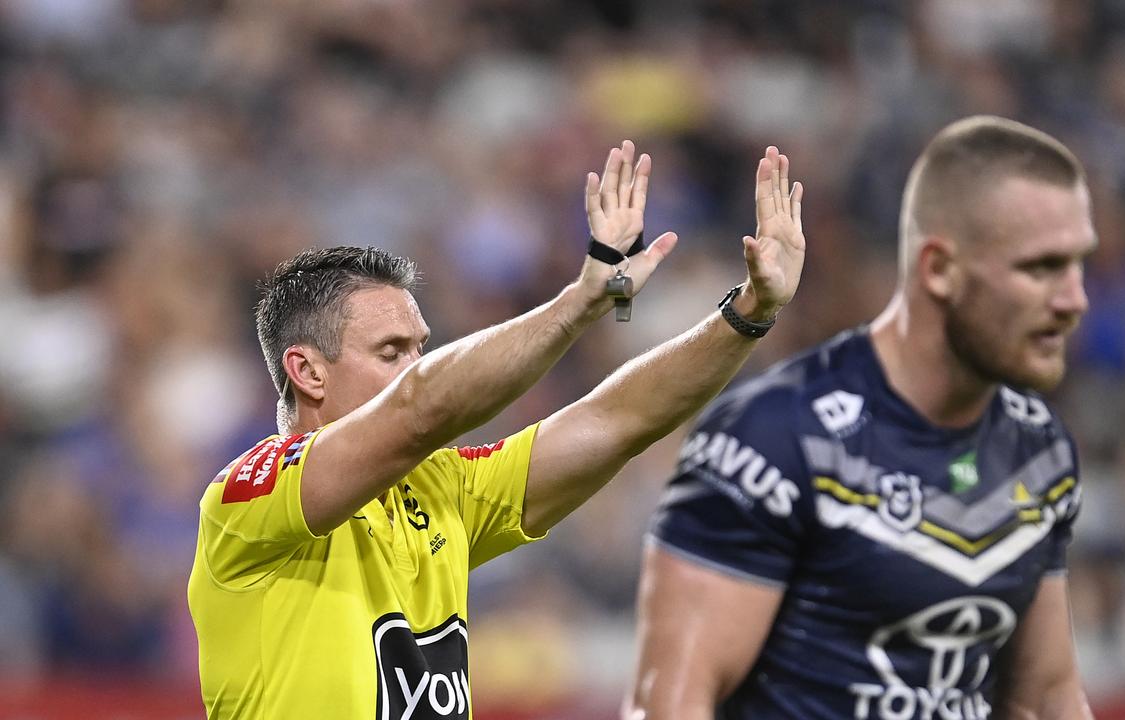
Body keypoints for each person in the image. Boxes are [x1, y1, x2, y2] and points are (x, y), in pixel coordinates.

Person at [187, 141, 805, 718]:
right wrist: (581, 301)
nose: (414, 368)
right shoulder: (247, 504)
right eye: (390, 351)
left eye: (419, 350)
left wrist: (749, 313)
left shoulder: (443, 489)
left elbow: (616, 420)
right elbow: (421, 407)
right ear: (307, 372)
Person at [626, 116, 1097, 720]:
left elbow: (1043, 699)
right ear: (939, 270)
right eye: (1041, 268)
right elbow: (668, 706)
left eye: (1079, 265)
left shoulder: (1040, 450)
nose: (1074, 299)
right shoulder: (773, 439)